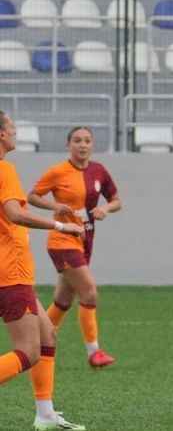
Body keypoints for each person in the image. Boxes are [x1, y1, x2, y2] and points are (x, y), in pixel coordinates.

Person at [0, 111, 86, 430]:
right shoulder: (4, 169)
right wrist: (61, 225)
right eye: (11, 127)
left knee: (47, 333)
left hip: (12, 272)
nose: (15, 131)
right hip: (10, 272)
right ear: (1, 134)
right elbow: (14, 214)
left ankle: (45, 414)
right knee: (28, 352)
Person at [28, 126, 121, 369]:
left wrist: (105, 209)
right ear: (68, 145)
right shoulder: (58, 171)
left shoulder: (99, 171)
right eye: (77, 140)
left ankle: (36, 343)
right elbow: (32, 196)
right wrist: (54, 207)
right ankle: (94, 352)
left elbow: (116, 201)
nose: (83, 145)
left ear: (92, 145)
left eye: (87, 140)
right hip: (62, 241)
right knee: (89, 291)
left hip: (85, 240)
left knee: (63, 300)